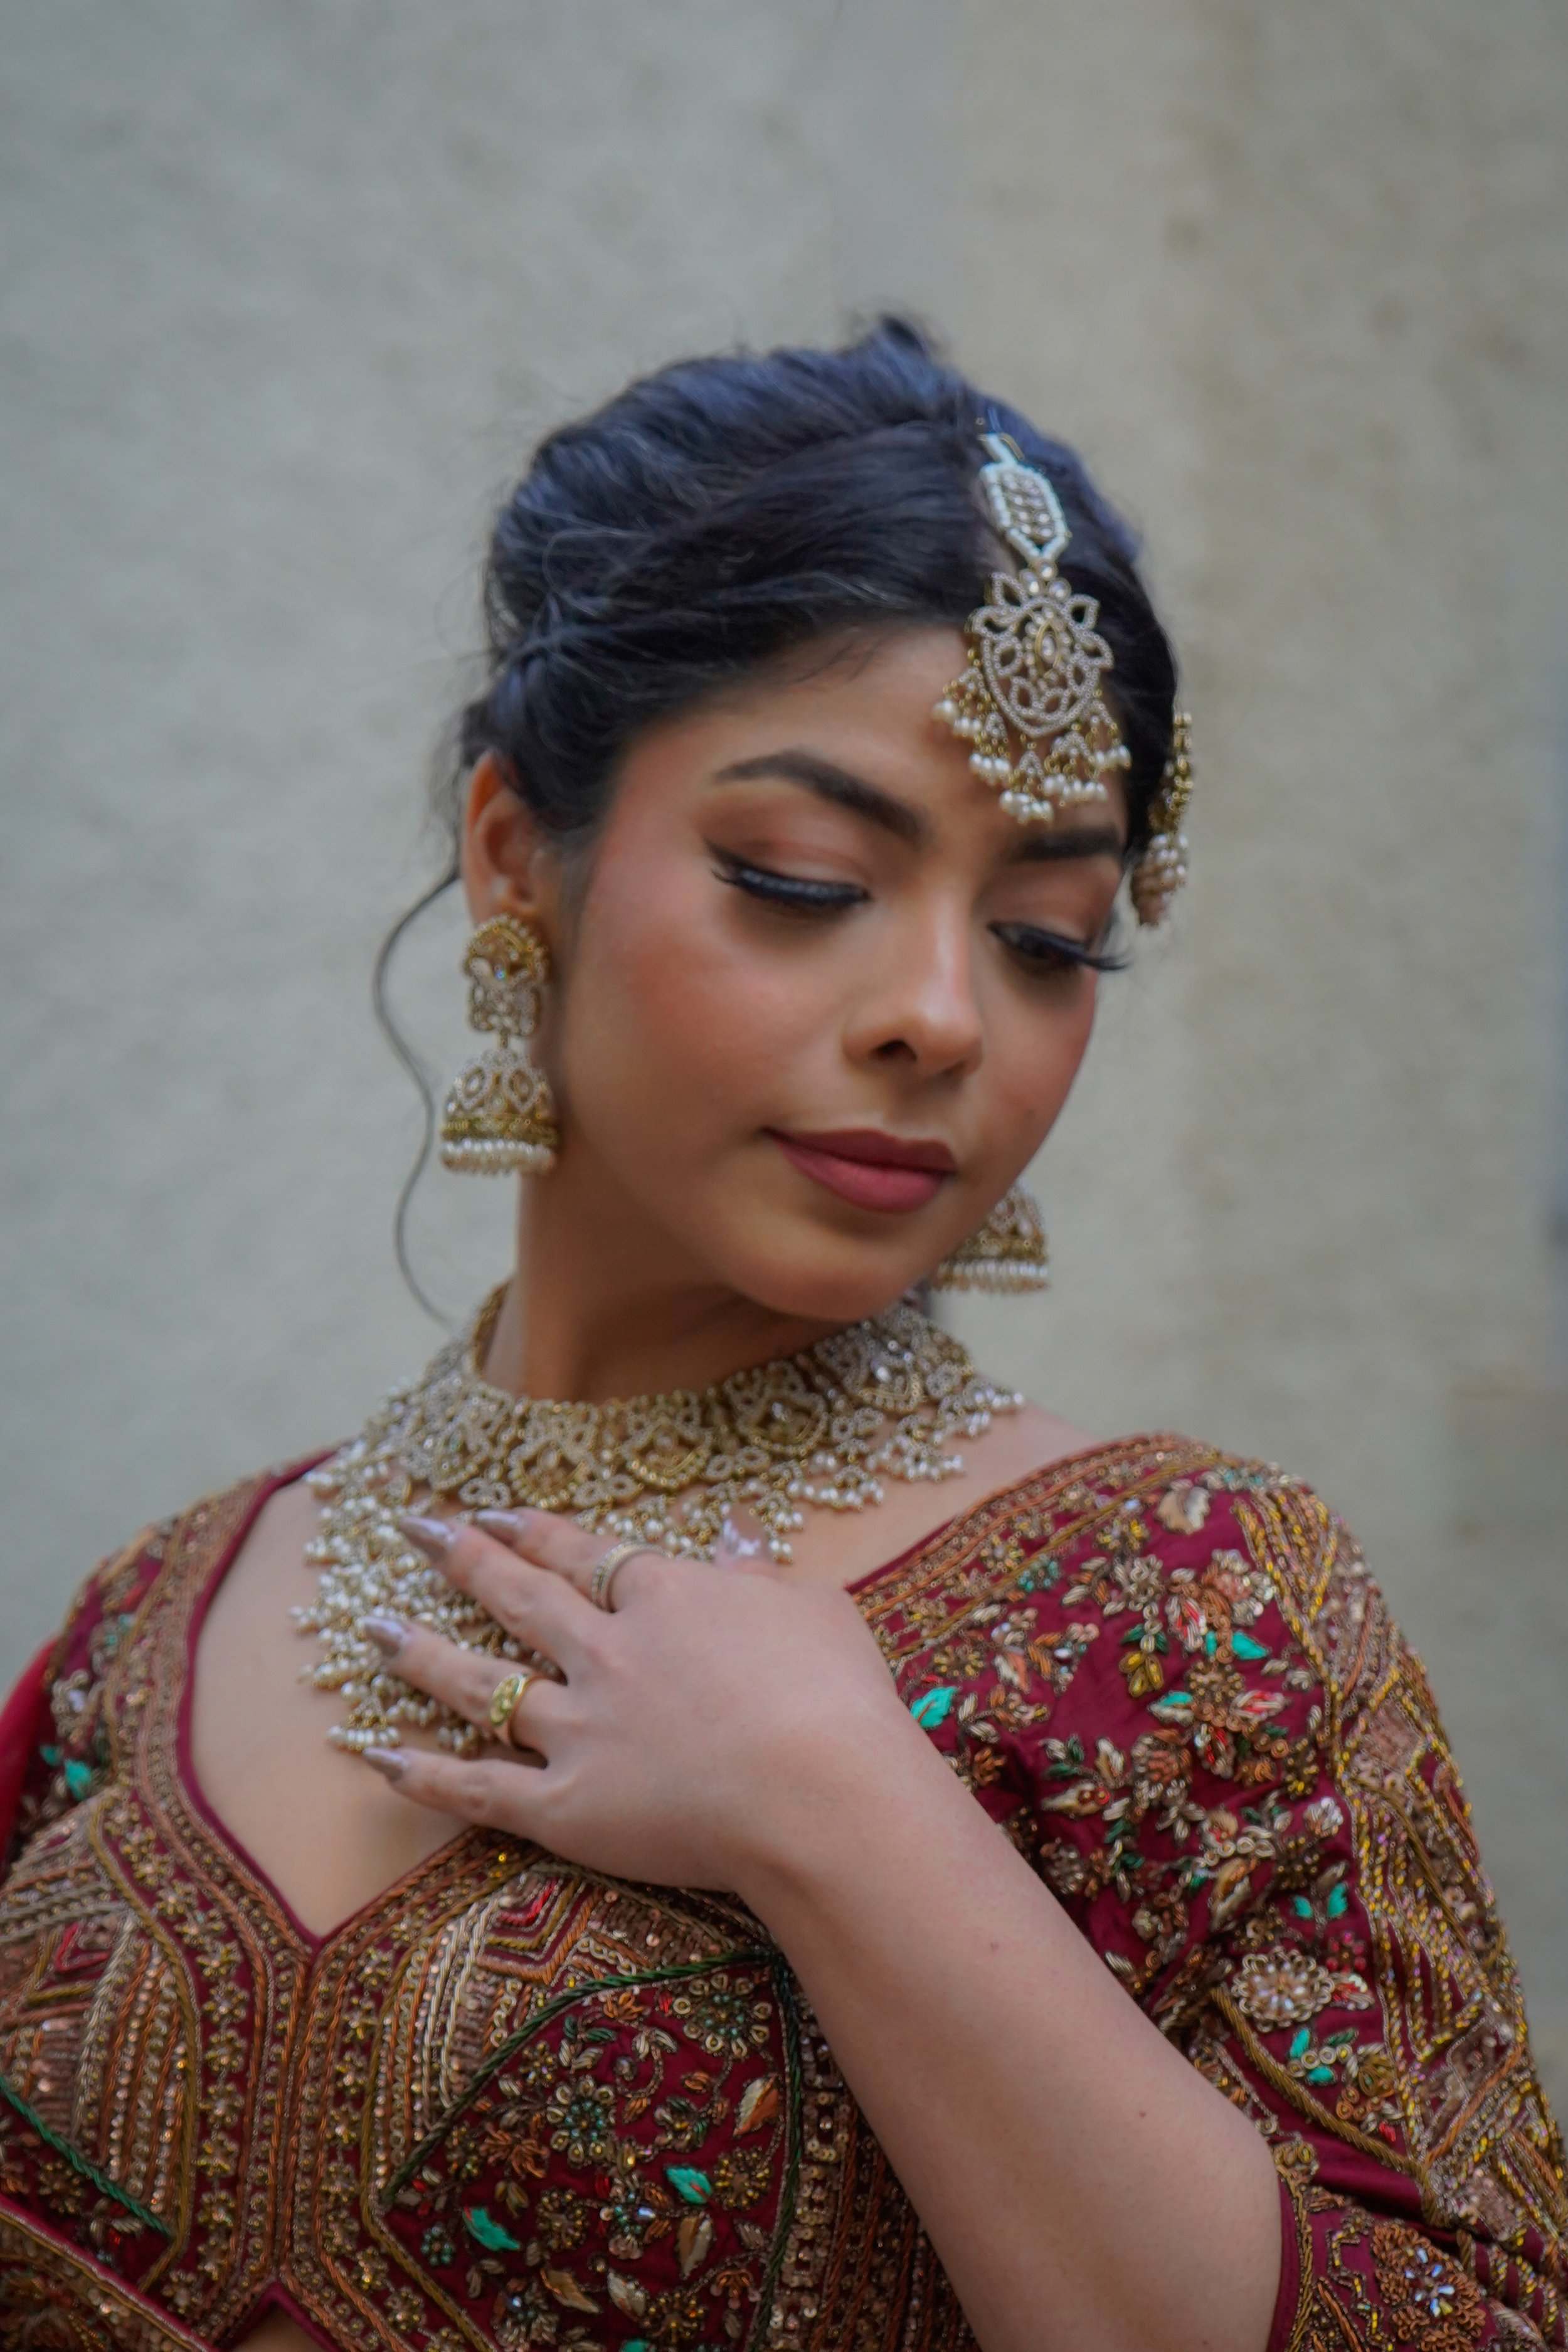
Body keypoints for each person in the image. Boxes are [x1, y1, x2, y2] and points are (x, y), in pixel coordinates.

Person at [0, 320, 1560, 2352]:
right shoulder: (160, 1612)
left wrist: (844, 1812)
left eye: (1045, 937)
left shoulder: (1187, 1608)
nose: (941, 1013)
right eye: (800, 877)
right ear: (510, 857)